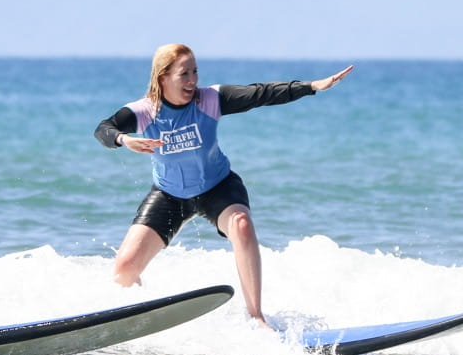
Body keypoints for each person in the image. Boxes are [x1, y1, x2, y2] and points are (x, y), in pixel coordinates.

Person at [94, 43, 353, 326]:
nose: (193, 80)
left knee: (241, 224)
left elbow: (260, 93)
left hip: (217, 187)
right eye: (184, 74)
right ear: (163, 77)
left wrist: (312, 85)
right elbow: (104, 129)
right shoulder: (143, 111)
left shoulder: (211, 99)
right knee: (125, 268)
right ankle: (135, 321)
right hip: (168, 194)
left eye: (195, 72)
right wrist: (124, 139)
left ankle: (256, 317)